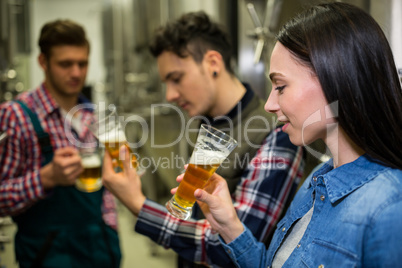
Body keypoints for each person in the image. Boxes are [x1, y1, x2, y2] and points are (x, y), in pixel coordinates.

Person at [183, 2, 402, 267]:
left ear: (334, 78)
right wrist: (229, 226)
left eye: (281, 86)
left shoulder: (389, 206)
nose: (269, 104)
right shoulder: (317, 181)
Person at [102, 11, 304, 267]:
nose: (170, 95)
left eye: (176, 79)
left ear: (212, 63)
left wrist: (137, 205)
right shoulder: (199, 122)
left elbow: (238, 248)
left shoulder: (275, 137)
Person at [0, 20, 121, 267]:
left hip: (99, 250)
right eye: (65, 64)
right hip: (48, 253)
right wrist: (45, 178)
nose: (76, 73)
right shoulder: (16, 116)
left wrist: (111, 230)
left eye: (82, 63)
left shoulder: (91, 115)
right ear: (43, 62)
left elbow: (104, 191)